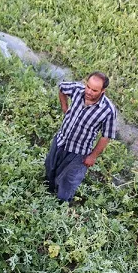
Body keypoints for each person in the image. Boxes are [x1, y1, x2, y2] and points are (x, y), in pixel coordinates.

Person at [45, 72, 117, 202]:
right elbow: (62, 88)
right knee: (50, 167)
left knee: (69, 180)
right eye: (88, 86)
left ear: (103, 91)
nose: (89, 92)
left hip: (79, 151)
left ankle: (61, 204)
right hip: (61, 140)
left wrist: (93, 156)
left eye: (94, 90)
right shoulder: (77, 89)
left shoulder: (108, 110)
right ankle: (47, 190)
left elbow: (106, 136)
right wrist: (64, 108)